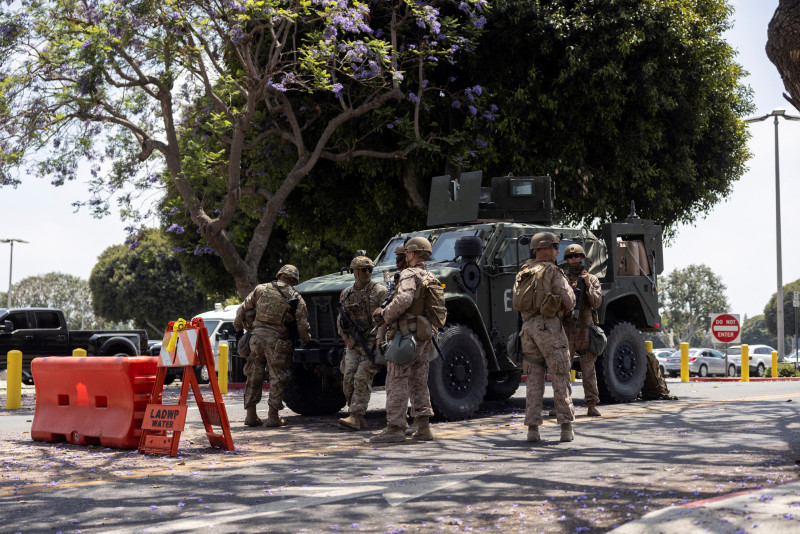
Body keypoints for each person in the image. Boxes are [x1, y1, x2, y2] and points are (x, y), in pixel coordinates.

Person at [370, 236, 440, 443]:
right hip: (424, 336)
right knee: (419, 381)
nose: (405, 256)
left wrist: (384, 314)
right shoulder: (429, 275)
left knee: (396, 380)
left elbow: (404, 299)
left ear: (413, 254)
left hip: (405, 336)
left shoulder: (409, 274)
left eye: (407, 252)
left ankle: (395, 427)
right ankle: (423, 426)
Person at [513, 232, 576, 442]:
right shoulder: (552, 271)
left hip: (527, 329)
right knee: (560, 375)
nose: (559, 251)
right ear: (546, 249)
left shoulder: (523, 271)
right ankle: (566, 428)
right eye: (556, 247)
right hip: (549, 328)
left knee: (533, 380)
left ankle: (533, 429)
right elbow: (570, 300)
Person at [234, 264, 311, 428]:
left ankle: (251, 415)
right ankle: (273, 416)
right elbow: (302, 326)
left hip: (255, 339)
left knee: (254, 375)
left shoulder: (260, 289)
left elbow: (242, 309)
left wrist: (239, 330)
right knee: (278, 376)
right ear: (293, 279)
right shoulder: (295, 296)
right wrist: (308, 340)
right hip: (277, 342)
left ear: (279, 275)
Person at [337, 256, 388, 430]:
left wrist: (381, 341)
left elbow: (388, 318)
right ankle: (357, 415)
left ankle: (355, 415)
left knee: (362, 376)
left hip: (374, 342)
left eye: (370, 270)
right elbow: (341, 320)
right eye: (363, 270)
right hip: (354, 343)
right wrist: (346, 340)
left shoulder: (380, 291)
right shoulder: (347, 293)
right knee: (348, 379)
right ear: (354, 271)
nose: (367, 273)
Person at [561, 243, 603, 417]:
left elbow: (596, 303)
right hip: (567, 328)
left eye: (576, 256)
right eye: (570, 257)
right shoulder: (561, 278)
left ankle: (592, 404)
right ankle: (561, 405)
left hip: (586, 330)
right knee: (562, 369)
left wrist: (587, 285)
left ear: (582, 258)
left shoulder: (591, 279)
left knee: (588, 369)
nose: (573, 260)